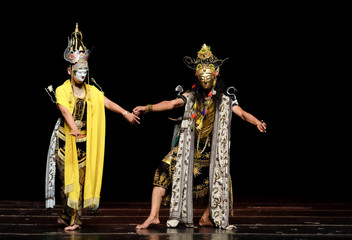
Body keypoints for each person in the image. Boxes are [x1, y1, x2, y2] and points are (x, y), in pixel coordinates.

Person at [133, 44, 266, 229]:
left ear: (215, 75)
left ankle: (206, 218)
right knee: (162, 172)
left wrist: (257, 122)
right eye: (202, 75)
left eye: (208, 76)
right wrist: (148, 107)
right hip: (187, 150)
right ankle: (153, 216)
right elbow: (171, 104)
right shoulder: (190, 97)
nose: (205, 79)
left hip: (209, 153)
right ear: (197, 75)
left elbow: (242, 113)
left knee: (223, 181)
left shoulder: (225, 99)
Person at [45, 23, 139, 231]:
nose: (82, 73)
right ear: (69, 70)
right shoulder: (61, 89)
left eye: (85, 70)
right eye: (78, 70)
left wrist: (125, 113)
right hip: (65, 140)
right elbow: (65, 111)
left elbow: (106, 102)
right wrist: (73, 128)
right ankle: (65, 214)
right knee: (66, 182)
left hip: (84, 143)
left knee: (77, 182)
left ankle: (75, 221)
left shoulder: (91, 90)